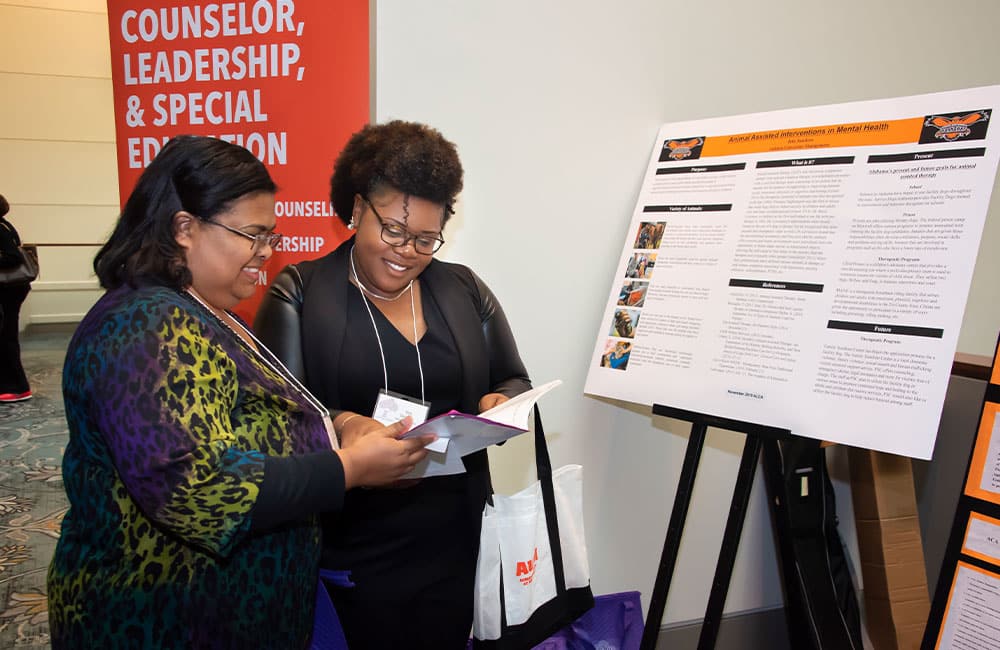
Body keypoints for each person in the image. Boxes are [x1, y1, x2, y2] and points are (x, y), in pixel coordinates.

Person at [46, 135, 435, 649]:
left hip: (226, 613)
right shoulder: (145, 326)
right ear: (184, 228)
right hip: (160, 619)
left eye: (271, 236)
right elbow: (196, 489)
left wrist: (341, 427)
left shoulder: (202, 309)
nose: (266, 254)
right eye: (252, 235)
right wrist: (351, 469)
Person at [254, 120, 532, 649]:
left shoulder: (464, 290)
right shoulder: (301, 293)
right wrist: (343, 422)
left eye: (426, 238)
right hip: (354, 542)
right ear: (357, 210)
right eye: (394, 231)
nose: (407, 251)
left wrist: (503, 403)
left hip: (455, 531)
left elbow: (514, 377)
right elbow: (278, 423)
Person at [0, 194, 33, 402]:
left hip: (8, 290)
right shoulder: (5, 225)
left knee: (6, 338)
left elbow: (12, 256)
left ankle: (16, 387)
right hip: (13, 289)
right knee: (7, 337)